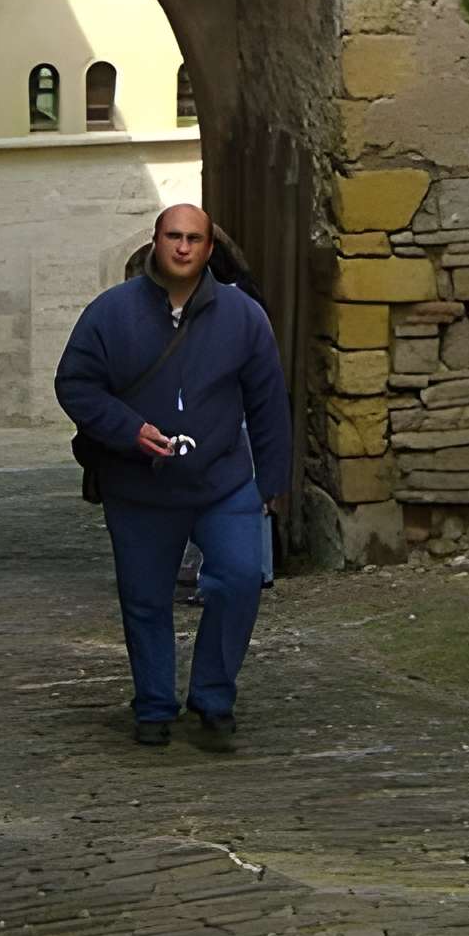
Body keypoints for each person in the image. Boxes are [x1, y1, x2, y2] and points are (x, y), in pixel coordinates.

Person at [55, 203, 292, 752]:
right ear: (156, 241)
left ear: (209, 249)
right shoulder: (110, 313)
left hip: (223, 482)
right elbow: (75, 384)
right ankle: (155, 705)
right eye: (173, 236)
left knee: (239, 580)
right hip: (139, 487)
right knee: (145, 599)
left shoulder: (244, 317)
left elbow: (268, 404)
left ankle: (213, 698)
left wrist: (270, 485)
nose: (182, 247)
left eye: (193, 238)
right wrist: (128, 430)